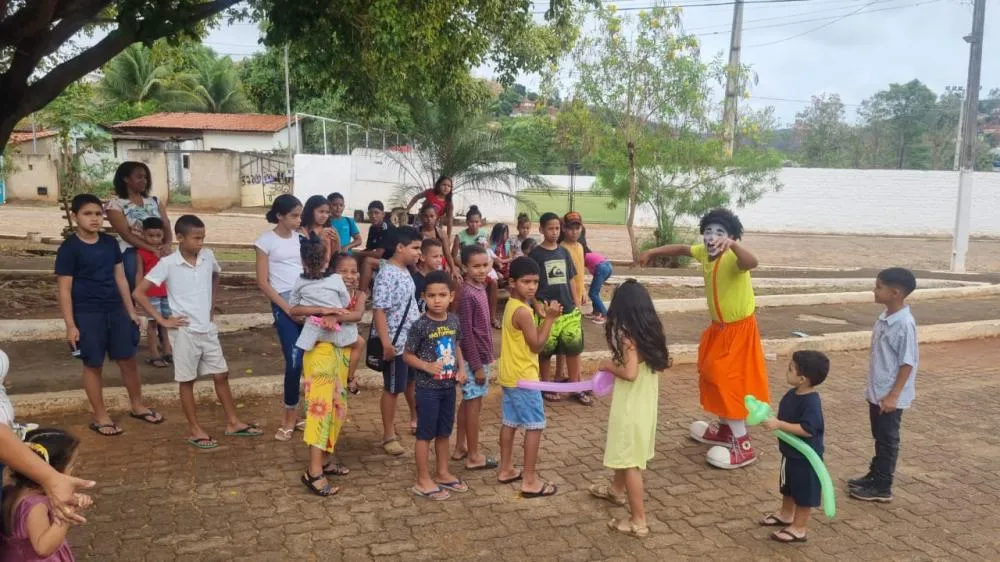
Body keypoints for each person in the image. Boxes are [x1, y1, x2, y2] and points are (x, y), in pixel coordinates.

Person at [639, 208, 768, 469]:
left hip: (739, 331)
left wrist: (733, 246)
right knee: (711, 376)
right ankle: (725, 430)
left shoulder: (734, 259)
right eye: (708, 231)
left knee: (726, 382)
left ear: (731, 237)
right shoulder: (704, 253)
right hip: (719, 329)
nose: (712, 236)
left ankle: (743, 446)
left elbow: (752, 262)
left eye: (720, 232)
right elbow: (681, 249)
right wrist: (652, 251)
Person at [134, 214, 263, 450]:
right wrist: (162, 320)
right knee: (187, 380)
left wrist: (211, 306)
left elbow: (216, 275)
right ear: (180, 237)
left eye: (203, 237)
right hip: (184, 332)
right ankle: (194, 429)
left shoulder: (208, 256)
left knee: (221, 374)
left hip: (207, 328)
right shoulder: (168, 263)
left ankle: (233, 422)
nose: (200, 242)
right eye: (196, 238)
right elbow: (139, 292)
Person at [56, 193, 161, 436]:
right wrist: (71, 325)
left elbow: (120, 278)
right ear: (75, 216)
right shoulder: (69, 248)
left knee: (128, 359)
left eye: (97, 214)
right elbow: (64, 290)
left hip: (116, 310)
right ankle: (100, 416)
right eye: (87, 214)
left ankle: (137, 405)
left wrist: (131, 311)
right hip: (87, 313)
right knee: (93, 364)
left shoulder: (109, 243)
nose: (94, 219)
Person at [589, 280, 671, 538]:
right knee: (626, 454)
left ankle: (638, 521)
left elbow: (630, 373)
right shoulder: (651, 331)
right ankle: (615, 490)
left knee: (631, 462)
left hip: (630, 408)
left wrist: (607, 366)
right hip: (645, 406)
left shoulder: (627, 337)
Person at [288, 242, 361, 497]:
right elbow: (293, 310)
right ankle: (314, 471)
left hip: (339, 348)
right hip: (319, 350)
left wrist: (334, 315)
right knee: (320, 408)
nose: (348, 276)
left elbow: (350, 310)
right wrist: (321, 311)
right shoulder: (301, 282)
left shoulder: (339, 284)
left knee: (339, 407)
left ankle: (326, 458)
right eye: (343, 271)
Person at [849, 267, 918, 503]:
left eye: (879, 287)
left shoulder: (904, 324)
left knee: (888, 439)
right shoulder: (885, 317)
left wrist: (893, 396)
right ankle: (875, 475)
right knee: (879, 436)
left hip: (890, 396)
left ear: (895, 293)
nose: (874, 290)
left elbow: (907, 363)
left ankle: (882, 486)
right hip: (878, 392)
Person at [497, 257, 562, 498]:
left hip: (510, 375)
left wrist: (541, 313)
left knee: (510, 422)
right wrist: (550, 319)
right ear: (512, 282)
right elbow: (536, 345)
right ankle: (530, 480)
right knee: (534, 426)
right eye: (526, 282)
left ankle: (506, 469)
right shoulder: (523, 312)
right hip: (524, 377)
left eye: (535, 282)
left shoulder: (513, 305)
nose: (532, 287)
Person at [403, 271, 469, 500]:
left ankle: (442, 472)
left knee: (444, 432)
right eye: (431, 296)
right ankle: (422, 480)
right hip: (427, 390)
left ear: (451, 296)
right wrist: (426, 366)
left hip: (448, 388)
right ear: (424, 296)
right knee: (425, 434)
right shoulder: (420, 325)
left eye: (442, 295)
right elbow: (407, 355)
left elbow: (456, 345)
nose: (437, 300)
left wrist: (462, 369)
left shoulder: (453, 320)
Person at [759, 350, 829, 543]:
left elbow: (807, 429)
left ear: (802, 379)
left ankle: (799, 528)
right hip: (790, 454)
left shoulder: (811, 402)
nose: (786, 371)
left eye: (791, 369)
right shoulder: (793, 393)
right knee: (788, 487)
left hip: (805, 459)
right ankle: (786, 514)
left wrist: (779, 425)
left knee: (804, 493)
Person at [255, 195, 306, 441]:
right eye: (294, 215)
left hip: (306, 299)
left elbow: (312, 269)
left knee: (312, 360)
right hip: (283, 301)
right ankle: (288, 417)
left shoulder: (302, 238)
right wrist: (287, 308)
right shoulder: (265, 241)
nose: (298, 220)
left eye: (300, 215)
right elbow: (263, 282)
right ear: (279, 216)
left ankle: (307, 413)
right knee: (294, 360)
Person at [372, 226, 423, 456]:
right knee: (392, 389)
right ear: (400, 247)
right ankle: (388, 435)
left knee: (407, 383)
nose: (418, 253)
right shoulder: (387, 273)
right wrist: (386, 343)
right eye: (415, 248)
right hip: (395, 343)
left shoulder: (404, 271)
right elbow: (379, 310)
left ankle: (410, 421)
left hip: (408, 343)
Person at [0, 429, 87, 561]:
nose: (76, 469)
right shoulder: (36, 505)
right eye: (71, 466)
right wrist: (67, 512)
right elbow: (43, 548)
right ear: (52, 470)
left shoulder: (10, 490)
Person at [528, 212, 586, 405]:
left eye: (557, 228)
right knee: (546, 351)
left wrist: (576, 304)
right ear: (541, 229)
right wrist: (536, 304)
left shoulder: (564, 252)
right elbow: (530, 282)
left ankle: (575, 387)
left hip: (568, 310)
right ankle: (546, 386)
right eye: (550, 228)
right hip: (547, 312)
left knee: (573, 349)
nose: (554, 232)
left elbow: (571, 280)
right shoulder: (535, 255)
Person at [453, 245, 498, 470]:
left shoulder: (480, 287)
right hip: (473, 359)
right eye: (476, 266)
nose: (481, 270)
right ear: (465, 267)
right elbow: (466, 333)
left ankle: (461, 446)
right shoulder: (467, 293)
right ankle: (473, 455)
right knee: (473, 405)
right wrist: (477, 365)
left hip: (480, 356)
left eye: (485, 265)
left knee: (469, 402)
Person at [105, 161, 172, 292]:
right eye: (139, 177)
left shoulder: (154, 201)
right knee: (133, 275)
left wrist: (167, 245)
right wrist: (152, 249)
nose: (144, 181)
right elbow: (126, 235)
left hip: (159, 245)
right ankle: (135, 301)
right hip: (131, 248)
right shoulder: (115, 204)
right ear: (125, 178)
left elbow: (166, 225)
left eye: (146, 177)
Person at [135, 217, 173, 368]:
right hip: (151, 293)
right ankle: (154, 354)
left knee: (166, 322)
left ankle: (167, 351)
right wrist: (139, 294)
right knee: (153, 323)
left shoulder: (167, 252)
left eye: (158, 236)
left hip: (166, 292)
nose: (155, 239)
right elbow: (139, 273)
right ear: (143, 235)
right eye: (150, 236)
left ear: (163, 235)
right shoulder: (141, 253)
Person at [357, 200, 396, 292]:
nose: (373, 216)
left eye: (376, 213)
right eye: (370, 213)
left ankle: (361, 293)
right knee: (353, 258)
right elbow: (369, 249)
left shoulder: (387, 227)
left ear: (383, 214)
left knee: (368, 261)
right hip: (382, 261)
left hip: (394, 263)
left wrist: (357, 253)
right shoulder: (373, 228)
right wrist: (354, 255)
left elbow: (378, 254)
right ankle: (366, 289)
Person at [416, 202, 459, 278]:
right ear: (421, 217)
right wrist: (415, 268)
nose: (429, 219)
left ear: (436, 217)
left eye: (432, 216)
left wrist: (453, 269)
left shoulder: (441, 234)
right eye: (426, 216)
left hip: (437, 265)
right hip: (421, 266)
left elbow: (447, 254)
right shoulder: (416, 233)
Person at [299, 195, 340, 264]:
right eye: (321, 211)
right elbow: (305, 256)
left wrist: (336, 242)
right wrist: (319, 239)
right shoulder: (302, 230)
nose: (325, 216)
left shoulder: (331, 229)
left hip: (326, 268)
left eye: (327, 212)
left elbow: (335, 255)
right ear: (310, 211)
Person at [411, 238, 445, 314]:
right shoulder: (414, 281)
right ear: (422, 257)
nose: (439, 260)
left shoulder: (441, 278)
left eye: (441, 256)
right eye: (435, 256)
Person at [584, 249, 613, 325]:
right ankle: (596, 312)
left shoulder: (581, 256)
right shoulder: (588, 255)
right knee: (595, 293)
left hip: (602, 268)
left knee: (592, 294)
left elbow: (579, 272)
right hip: (608, 267)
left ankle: (605, 315)